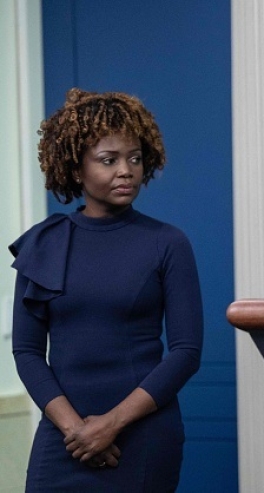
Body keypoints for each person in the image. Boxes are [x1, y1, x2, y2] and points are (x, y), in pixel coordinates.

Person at [10, 89, 203, 492]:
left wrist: (111, 425)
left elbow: (186, 352)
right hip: (64, 440)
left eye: (134, 158)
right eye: (108, 160)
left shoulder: (168, 243)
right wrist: (78, 431)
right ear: (77, 168)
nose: (126, 171)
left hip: (143, 434)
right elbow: (27, 351)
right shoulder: (43, 245)